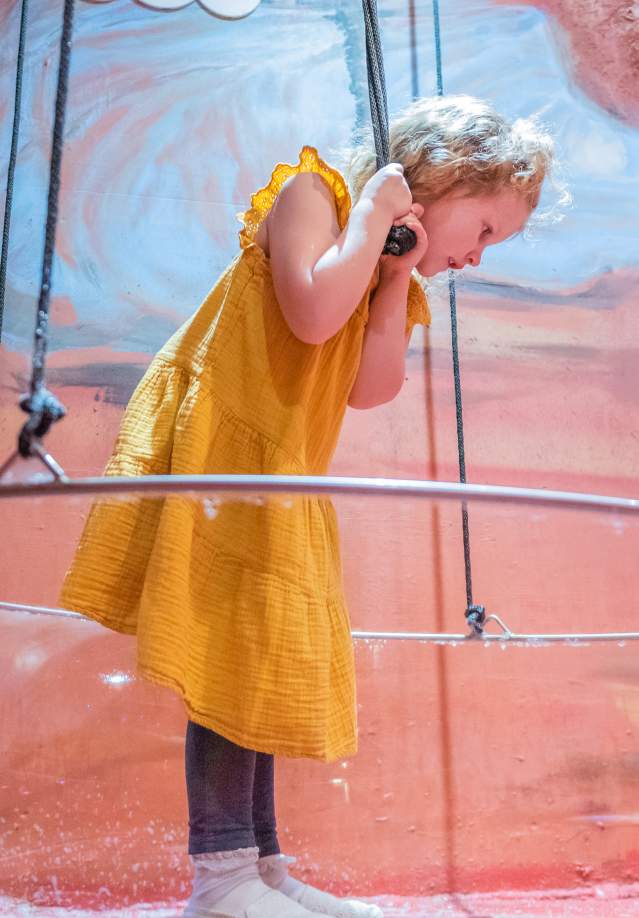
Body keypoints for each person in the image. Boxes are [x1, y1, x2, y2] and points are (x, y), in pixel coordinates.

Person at [60, 94, 555, 918]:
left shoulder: (380, 258)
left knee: (259, 655)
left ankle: (258, 866)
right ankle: (220, 877)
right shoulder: (313, 196)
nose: (476, 257)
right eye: (484, 230)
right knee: (231, 655)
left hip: (279, 470)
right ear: (444, 178)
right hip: (223, 449)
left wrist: (392, 277)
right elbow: (315, 314)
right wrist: (370, 217)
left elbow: (370, 388)